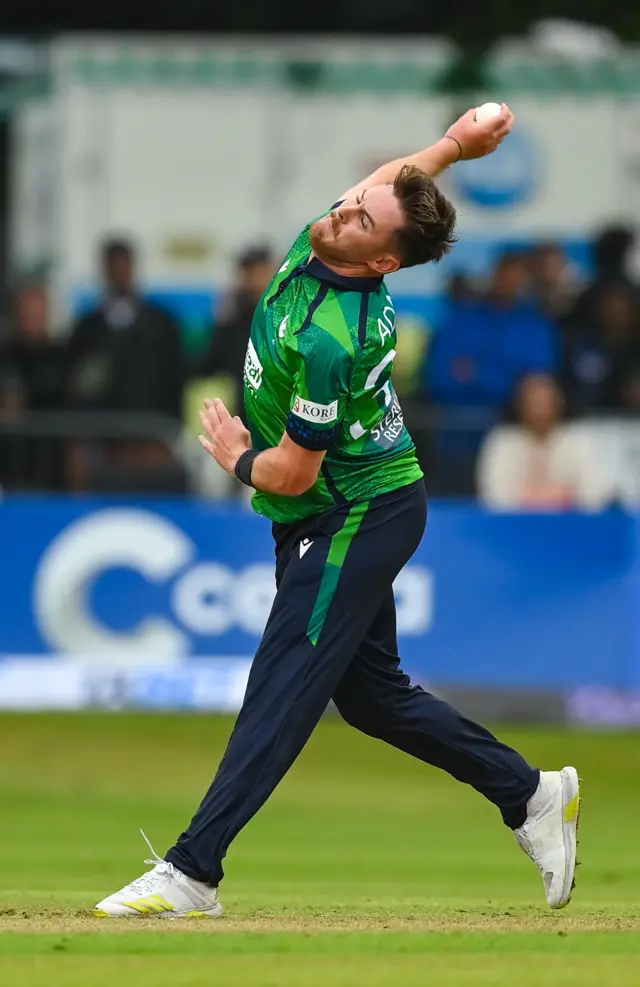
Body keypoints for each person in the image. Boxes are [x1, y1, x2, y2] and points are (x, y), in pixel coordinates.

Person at [95, 104, 580, 920]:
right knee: (372, 696)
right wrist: (458, 145)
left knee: (283, 682)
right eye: (352, 200)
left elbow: (287, 471)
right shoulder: (325, 239)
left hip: (358, 510)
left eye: (361, 215)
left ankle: (192, 872)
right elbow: (395, 180)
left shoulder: (333, 337)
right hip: (343, 507)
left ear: (381, 258)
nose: (343, 205)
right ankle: (529, 792)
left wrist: (232, 457)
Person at [65, 237, 186, 491]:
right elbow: (77, 387)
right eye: (113, 267)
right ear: (105, 271)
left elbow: (176, 379)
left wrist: (168, 434)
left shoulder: (161, 324)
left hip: (152, 444)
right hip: (105, 449)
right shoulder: (87, 329)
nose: (120, 274)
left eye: (124, 266)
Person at [477, 374, 613, 511]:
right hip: (517, 527)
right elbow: (495, 497)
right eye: (534, 402)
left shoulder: (579, 439)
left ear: (559, 403)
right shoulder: (502, 441)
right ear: (520, 404)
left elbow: (595, 495)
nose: (540, 409)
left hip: (571, 526)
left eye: (546, 401)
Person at [0, 281, 67, 489]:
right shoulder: (6, 356)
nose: (31, 317)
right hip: (9, 462)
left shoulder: (62, 357)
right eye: (26, 310)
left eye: (37, 310)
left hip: (51, 462)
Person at [198, 245, 275, 419]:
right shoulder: (233, 317)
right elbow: (209, 364)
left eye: (257, 270)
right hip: (246, 411)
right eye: (247, 271)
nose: (251, 278)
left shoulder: (288, 313)